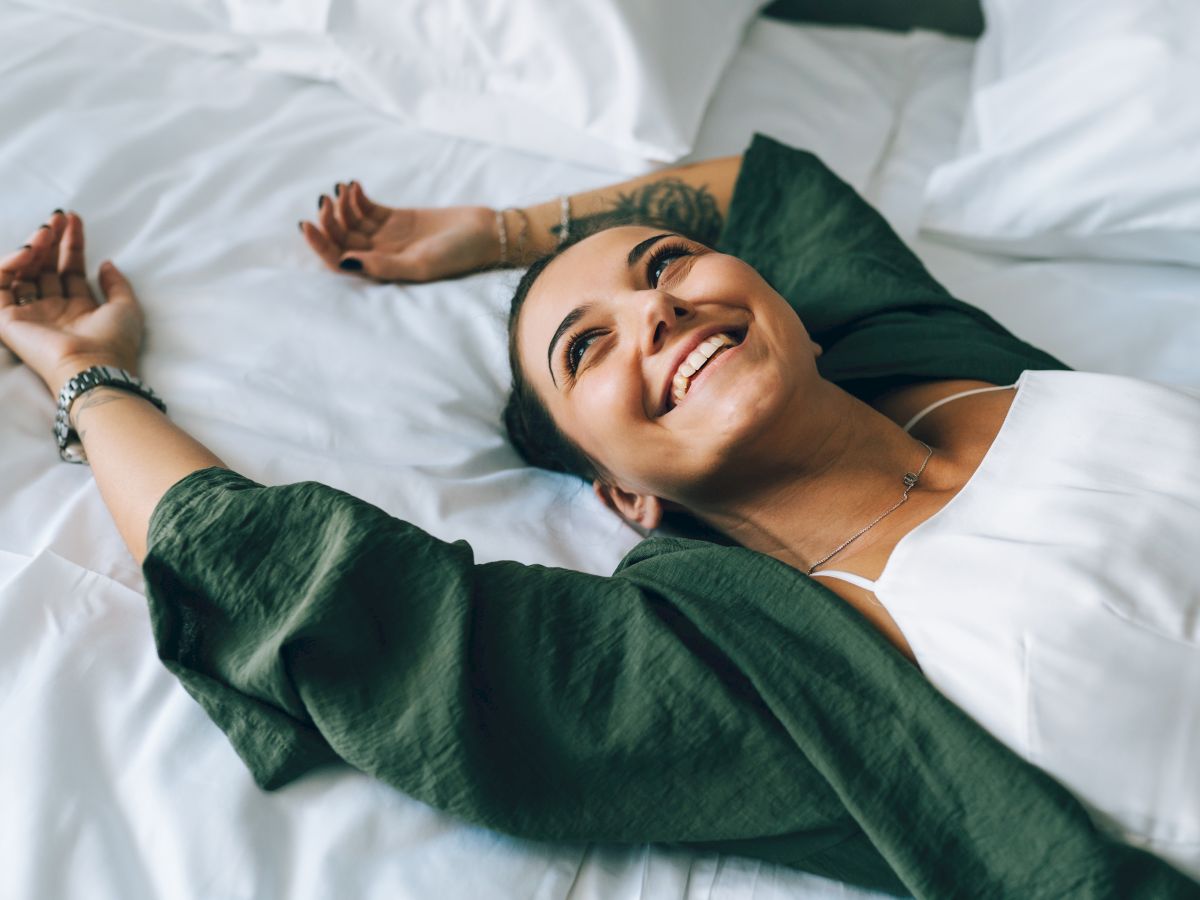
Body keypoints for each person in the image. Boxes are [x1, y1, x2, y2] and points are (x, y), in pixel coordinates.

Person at [2, 135, 1198, 898]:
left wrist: (499, 233)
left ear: (785, 303)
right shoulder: (748, 663)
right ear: (627, 495)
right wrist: (85, 374)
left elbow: (778, 192)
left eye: (667, 266)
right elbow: (294, 583)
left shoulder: (927, 353)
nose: (658, 313)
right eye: (587, 349)